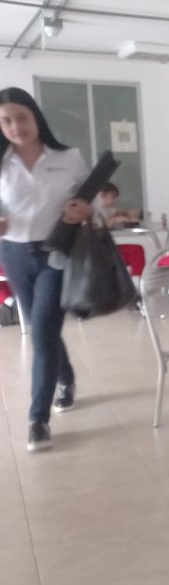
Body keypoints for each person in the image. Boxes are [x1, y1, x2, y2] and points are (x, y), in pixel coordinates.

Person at [0, 87, 92, 451]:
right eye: (6, 121)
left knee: (41, 331)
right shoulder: (2, 162)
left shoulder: (69, 157)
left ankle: (37, 419)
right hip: (14, 254)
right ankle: (65, 378)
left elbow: (95, 201)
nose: (15, 127)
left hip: (56, 252)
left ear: (36, 116)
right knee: (45, 329)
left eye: (22, 117)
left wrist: (86, 210)